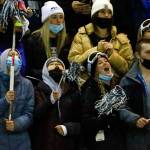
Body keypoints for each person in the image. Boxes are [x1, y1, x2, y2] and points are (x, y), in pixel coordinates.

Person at [68, 0, 133, 83]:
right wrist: (96, 50)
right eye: (102, 12)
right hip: (87, 85)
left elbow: (128, 69)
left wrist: (112, 54)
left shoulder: (121, 39)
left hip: (114, 87)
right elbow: (73, 62)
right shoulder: (81, 35)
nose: (106, 15)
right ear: (95, 15)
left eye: (109, 12)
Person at [32, 57, 82, 150]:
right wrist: (50, 100)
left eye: (59, 65)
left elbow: (81, 121)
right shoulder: (38, 91)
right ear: (45, 70)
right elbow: (35, 116)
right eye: (51, 64)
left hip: (67, 143)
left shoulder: (72, 91)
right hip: (44, 143)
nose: (56, 66)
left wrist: (68, 129)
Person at [81, 51, 126, 150]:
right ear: (94, 71)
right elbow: (86, 120)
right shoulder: (89, 89)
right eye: (100, 63)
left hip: (118, 140)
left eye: (106, 61)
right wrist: (106, 115)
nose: (105, 63)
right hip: (100, 142)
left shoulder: (116, 85)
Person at [23, 1, 67, 80]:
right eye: (54, 17)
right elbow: (29, 70)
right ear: (46, 20)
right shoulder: (33, 40)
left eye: (61, 17)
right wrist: (47, 73)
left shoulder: (65, 41)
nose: (58, 21)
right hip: (40, 85)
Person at [119, 39, 150, 150]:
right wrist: (135, 119)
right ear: (138, 55)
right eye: (148, 52)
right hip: (138, 138)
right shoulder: (127, 80)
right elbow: (121, 107)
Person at [0, 49, 34, 150]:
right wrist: (5, 101)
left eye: (17, 57)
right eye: (11, 56)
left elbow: (29, 114)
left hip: (21, 142)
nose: (14, 59)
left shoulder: (27, 84)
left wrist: (16, 124)